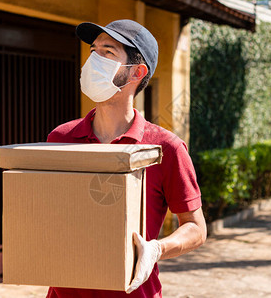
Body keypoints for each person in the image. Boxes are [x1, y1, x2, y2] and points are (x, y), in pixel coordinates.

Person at [46, 19, 206, 298]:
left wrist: (156, 249)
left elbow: (195, 227)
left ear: (137, 73)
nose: (94, 59)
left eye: (108, 52)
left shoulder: (165, 149)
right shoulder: (61, 139)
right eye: (93, 50)